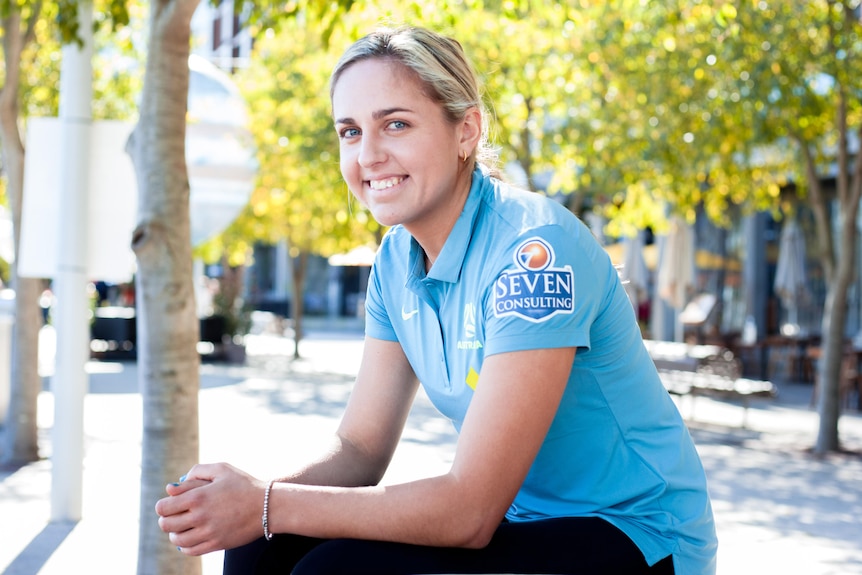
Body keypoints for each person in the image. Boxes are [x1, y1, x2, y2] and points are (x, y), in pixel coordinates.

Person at [155, 25, 718, 574]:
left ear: (466, 131)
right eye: (349, 132)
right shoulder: (396, 260)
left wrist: (265, 502)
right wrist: (250, 500)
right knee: (265, 547)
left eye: (394, 124)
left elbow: (469, 511)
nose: (368, 154)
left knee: (338, 566)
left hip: (639, 535)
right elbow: (359, 447)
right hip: (524, 522)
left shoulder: (535, 251)